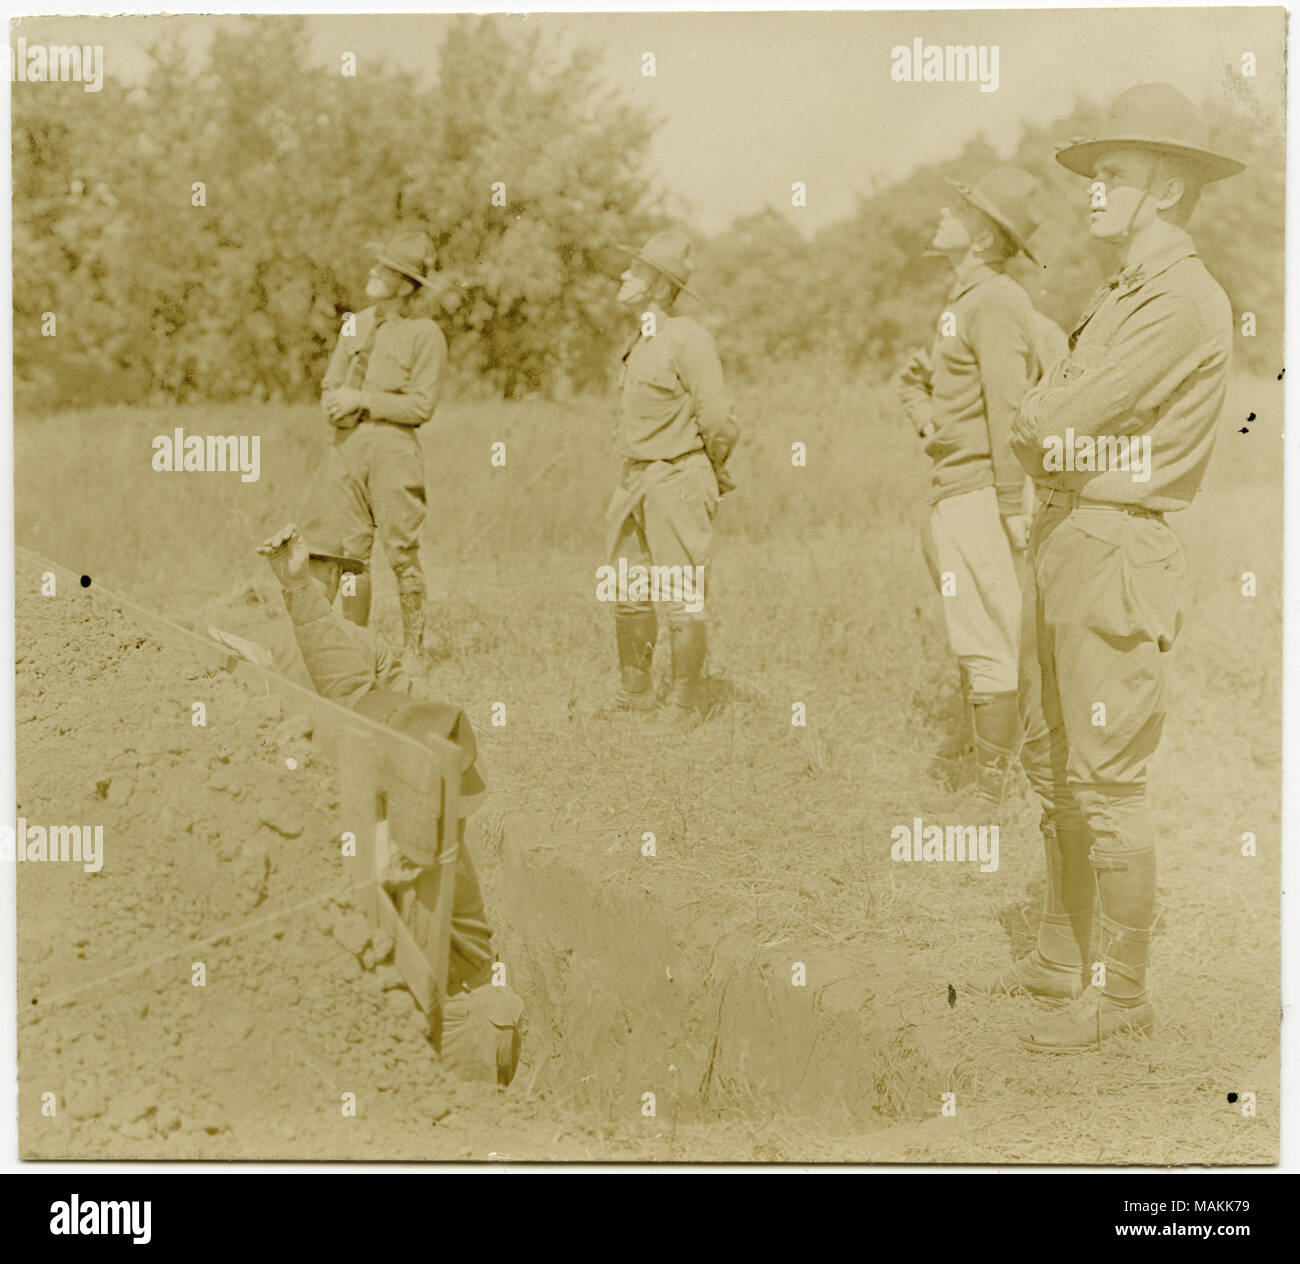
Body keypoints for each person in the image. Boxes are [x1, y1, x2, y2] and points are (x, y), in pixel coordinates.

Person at [969, 84, 1245, 1052]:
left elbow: (1054, 420)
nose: (1089, 193)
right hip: (1069, 535)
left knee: (1104, 778)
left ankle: (1121, 999)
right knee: (1053, 769)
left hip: (1115, 544)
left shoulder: (1179, 300)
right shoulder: (1121, 292)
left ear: (1165, 189)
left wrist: (1049, 424)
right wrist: (1048, 422)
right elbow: (1046, 414)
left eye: (1111, 177)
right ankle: (1059, 955)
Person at [258, 522, 522, 1083]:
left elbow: (383, 706)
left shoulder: (319, 649)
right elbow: (369, 702)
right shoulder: (324, 649)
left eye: (348, 574)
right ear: (324, 571)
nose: (346, 584)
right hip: (372, 819)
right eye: (338, 571)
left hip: (391, 822)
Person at [897, 169, 1058, 811]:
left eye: (960, 209)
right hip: (955, 490)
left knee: (990, 639)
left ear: (987, 237)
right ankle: (1001, 783)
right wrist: (928, 418)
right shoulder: (961, 303)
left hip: (979, 494)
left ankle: (990, 797)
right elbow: (914, 377)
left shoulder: (994, 300)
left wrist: (1012, 501)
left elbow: (1009, 406)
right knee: (980, 633)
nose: (943, 213)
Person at [605, 230, 737, 728]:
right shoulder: (640, 338)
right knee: (626, 585)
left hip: (676, 474)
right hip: (634, 477)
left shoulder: (688, 336)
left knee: (680, 591)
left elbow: (718, 418)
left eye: (636, 270)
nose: (624, 275)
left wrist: (701, 464)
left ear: (660, 284)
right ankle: (635, 692)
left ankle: (685, 703)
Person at [320, 229, 447, 654]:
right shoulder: (354, 325)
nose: (374, 272)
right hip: (347, 450)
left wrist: (363, 400)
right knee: (352, 555)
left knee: (401, 553)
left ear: (406, 285)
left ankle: (413, 653)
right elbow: (329, 386)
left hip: (393, 452)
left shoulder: (425, 334)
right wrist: (335, 404)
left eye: (386, 269)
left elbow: (421, 406)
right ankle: (359, 647)